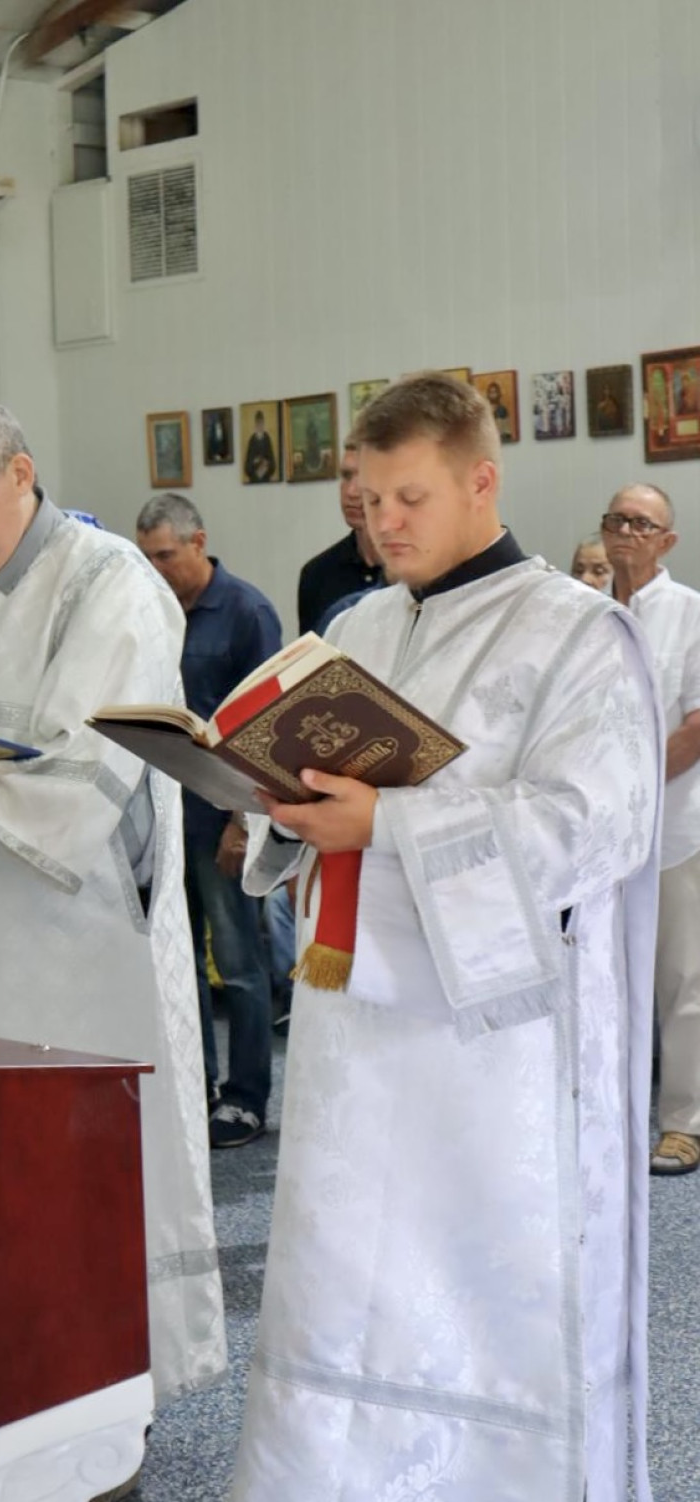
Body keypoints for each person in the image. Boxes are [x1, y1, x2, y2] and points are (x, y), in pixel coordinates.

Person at [231, 373, 662, 1502]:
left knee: (464, 1295)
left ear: (482, 481)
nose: (383, 523)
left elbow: (596, 825)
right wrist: (275, 809)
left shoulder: (577, 633)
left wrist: (388, 823)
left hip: (488, 1057)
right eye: (366, 498)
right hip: (348, 1031)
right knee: (341, 1278)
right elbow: (320, 798)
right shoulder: (359, 626)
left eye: (408, 497)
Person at [0, 399, 226, 1453]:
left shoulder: (110, 580)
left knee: (75, 1162)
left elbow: (91, 762)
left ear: (19, 473)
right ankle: (5, 1380)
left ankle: (108, 1395)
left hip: (79, 926)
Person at [137, 493, 282, 1148]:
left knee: (240, 963)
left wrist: (243, 823)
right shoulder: (151, 612)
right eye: (146, 558)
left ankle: (246, 1099)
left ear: (199, 543)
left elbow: (266, 728)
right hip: (168, 815)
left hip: (223, 816)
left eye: (165, 555)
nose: (155, 569)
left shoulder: (247, 612)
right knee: (178, 961)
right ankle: (195, 1086)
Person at [602, 483, 700, 1176]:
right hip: (597, 833)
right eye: (616, 520)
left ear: (667, 540)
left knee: (681, 981)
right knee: (604, 982)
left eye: (641, 523)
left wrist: (632, 786)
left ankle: (682, 1123)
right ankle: (611, 1116)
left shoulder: (691, 612)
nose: (625, 531)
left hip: (673, 827)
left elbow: (696, 725)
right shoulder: (586, 613)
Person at [297, 438, 386, 632]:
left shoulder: (413, 572)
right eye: (346, 476)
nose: (351, 492)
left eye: (364, 478)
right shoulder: (317, 574)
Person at [244, 410, 276, 483]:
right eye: (258, 423)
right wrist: (255, 461)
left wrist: (266, 463)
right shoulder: (252, 440)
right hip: (254, 479)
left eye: (261, 423)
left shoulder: (267, 439)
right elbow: (247, 468)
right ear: (255, 424)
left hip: (266, 479)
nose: (260, 426)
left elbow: (273, 464)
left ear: (264, 423)